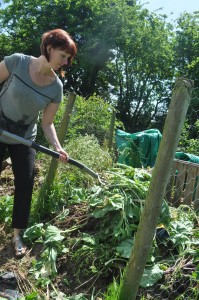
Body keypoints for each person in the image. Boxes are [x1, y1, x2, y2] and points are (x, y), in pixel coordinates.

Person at [0, 29, 77, 257]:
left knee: (25, 182)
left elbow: (47, 122)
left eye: (68, 58)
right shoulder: (17, 62)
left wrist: (57, 146)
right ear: (50, 48)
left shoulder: (56, 88)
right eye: (63, 55)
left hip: (24, 136)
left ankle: (17, 235)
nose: (66, 62)